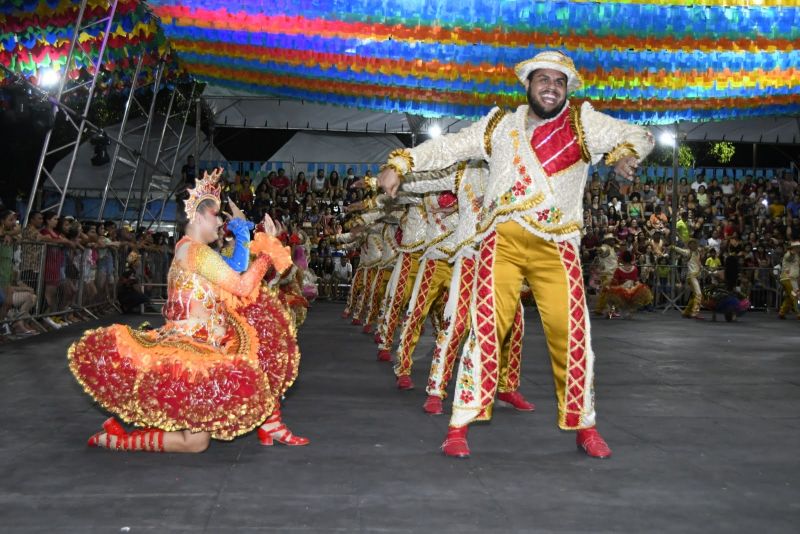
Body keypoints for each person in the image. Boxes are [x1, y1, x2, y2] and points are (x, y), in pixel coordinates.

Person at [377, 50, 654, 459]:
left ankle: (585, 424)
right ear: (528, 85)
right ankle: (459, 424)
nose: (551, 87)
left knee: (573, 331)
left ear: (567, 89)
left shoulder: (583, 122)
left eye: (559, 82)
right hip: (500, 241)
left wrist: (626, 154)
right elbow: (450, 146)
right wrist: (401, 162)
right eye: (544, 79)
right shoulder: (499, 126)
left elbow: (637, 134)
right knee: (485, 326)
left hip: (557, 244)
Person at [68, 169, 291, 453]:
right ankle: (118, 440)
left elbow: (235, 271)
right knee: (195, 443)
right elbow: (243, 286)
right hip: (189, 356)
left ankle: (120, 436)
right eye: (217, 216)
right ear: (199, 216)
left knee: (198, 437)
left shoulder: (191, 251)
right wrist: (268, 252)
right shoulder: (196, 252)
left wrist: (244, 232)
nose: (220, 222)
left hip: (203, 348)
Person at [604, 251, 653, 319]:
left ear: (622, 259)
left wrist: (609, 286)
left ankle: (610, 312)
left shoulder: (618, 269)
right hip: (632, 288)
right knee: (632, 298)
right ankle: (628, 313)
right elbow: (636, 280)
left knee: (608, 292)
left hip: (621, 289)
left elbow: (615, 281)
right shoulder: (634, 269)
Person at [778, 240, 800, 320]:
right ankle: (799, 313)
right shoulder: (789, 254)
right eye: (797, 247)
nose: (798, 249)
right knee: (796, 296)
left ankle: (782, 312)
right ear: (793, 248)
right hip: (788, 278)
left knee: (789, 297)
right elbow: (789, 257)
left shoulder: (797, 256)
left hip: (790, 278)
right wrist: (792, 252)